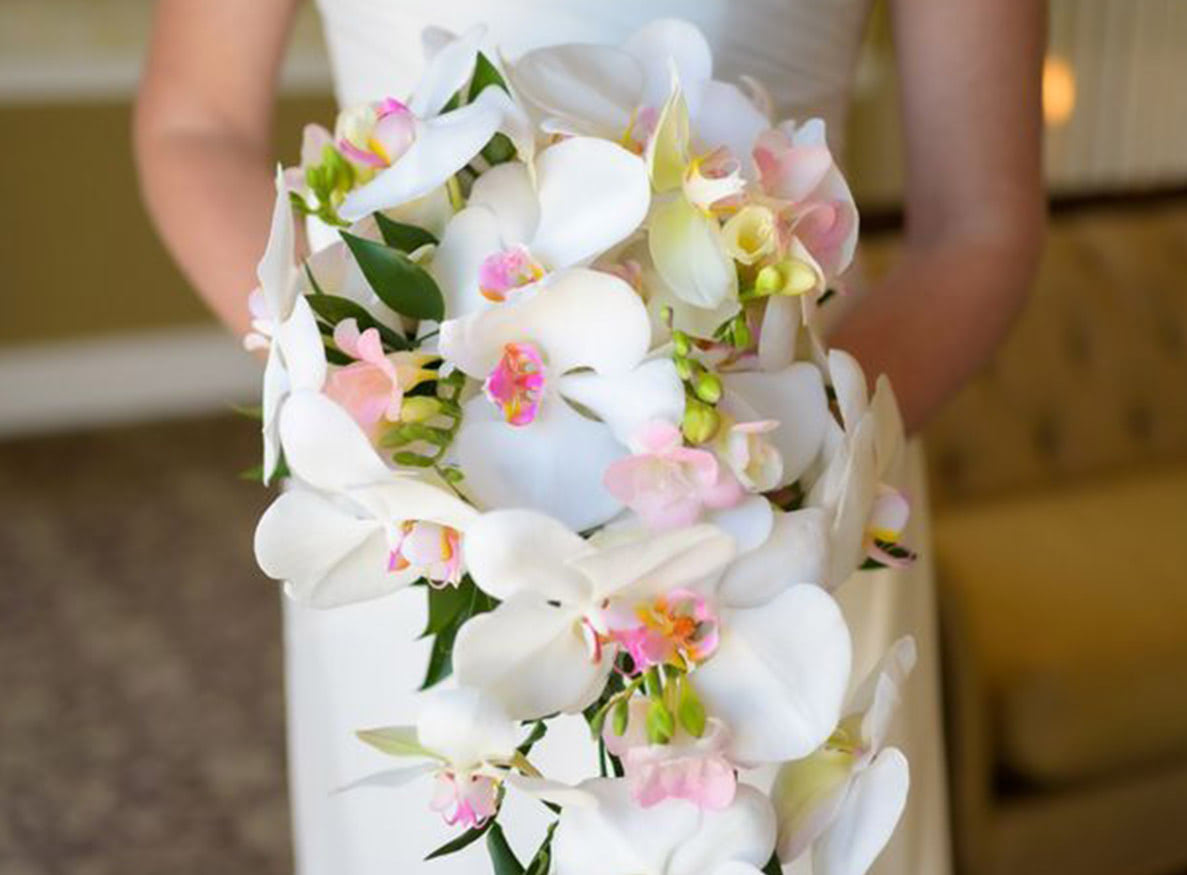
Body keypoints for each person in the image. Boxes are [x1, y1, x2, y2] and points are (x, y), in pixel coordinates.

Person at [136, 2, 1046, 873]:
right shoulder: (394, 443)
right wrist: (351, 382)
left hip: (770, 518)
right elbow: (194, 121)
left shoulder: (778, 475)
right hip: (415, 507)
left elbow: (980, 224)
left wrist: (769, 457)